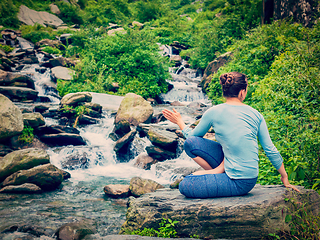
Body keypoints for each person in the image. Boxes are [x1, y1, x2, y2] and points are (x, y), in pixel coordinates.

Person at [162, 71, 299, 198]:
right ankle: (218, 172)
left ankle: (216, 173)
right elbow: (270, 149)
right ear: (242, 92)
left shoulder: (213, 111)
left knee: (186, 184)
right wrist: (284, 176)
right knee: (190, 144)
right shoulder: (256, 114)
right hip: (239, 171)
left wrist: (180, 121)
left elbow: (192, 134)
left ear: (224, 91)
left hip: (240, 181)